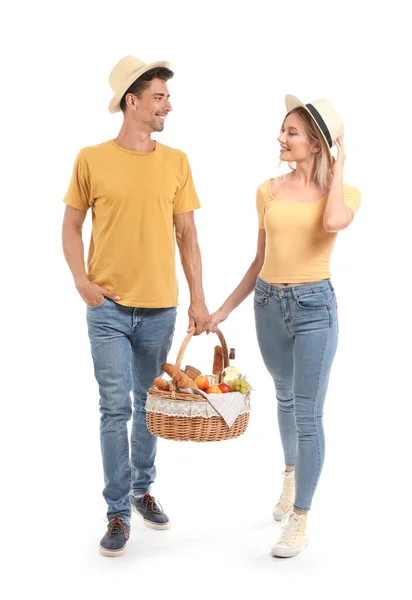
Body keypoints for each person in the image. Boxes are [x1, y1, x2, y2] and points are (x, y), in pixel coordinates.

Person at [62, 55, 209, 557]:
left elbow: (187, 233)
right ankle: (117, 512)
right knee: (113, 407)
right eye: (160, 97)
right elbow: (70, 224)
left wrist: (199, 299)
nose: (168, 105)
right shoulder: (90, 158)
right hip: (107, 308)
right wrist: (81, 280)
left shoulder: (176, 161)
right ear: (133, 101)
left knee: (150, 406)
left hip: (159, 309)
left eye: (166, 96)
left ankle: (142, 489)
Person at [207, 95, 361, 558]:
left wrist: (338, 169)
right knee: (285, 396)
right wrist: (223, 309)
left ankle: (300, 519)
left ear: (316, 144)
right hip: (268, 304)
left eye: (292, 132)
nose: (280, 138)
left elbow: (334, 221)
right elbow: (259, 260)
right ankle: (291, 475)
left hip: (315, 308)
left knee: (309, 415)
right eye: (283, 130)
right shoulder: (266, 191)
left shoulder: (346, 194)